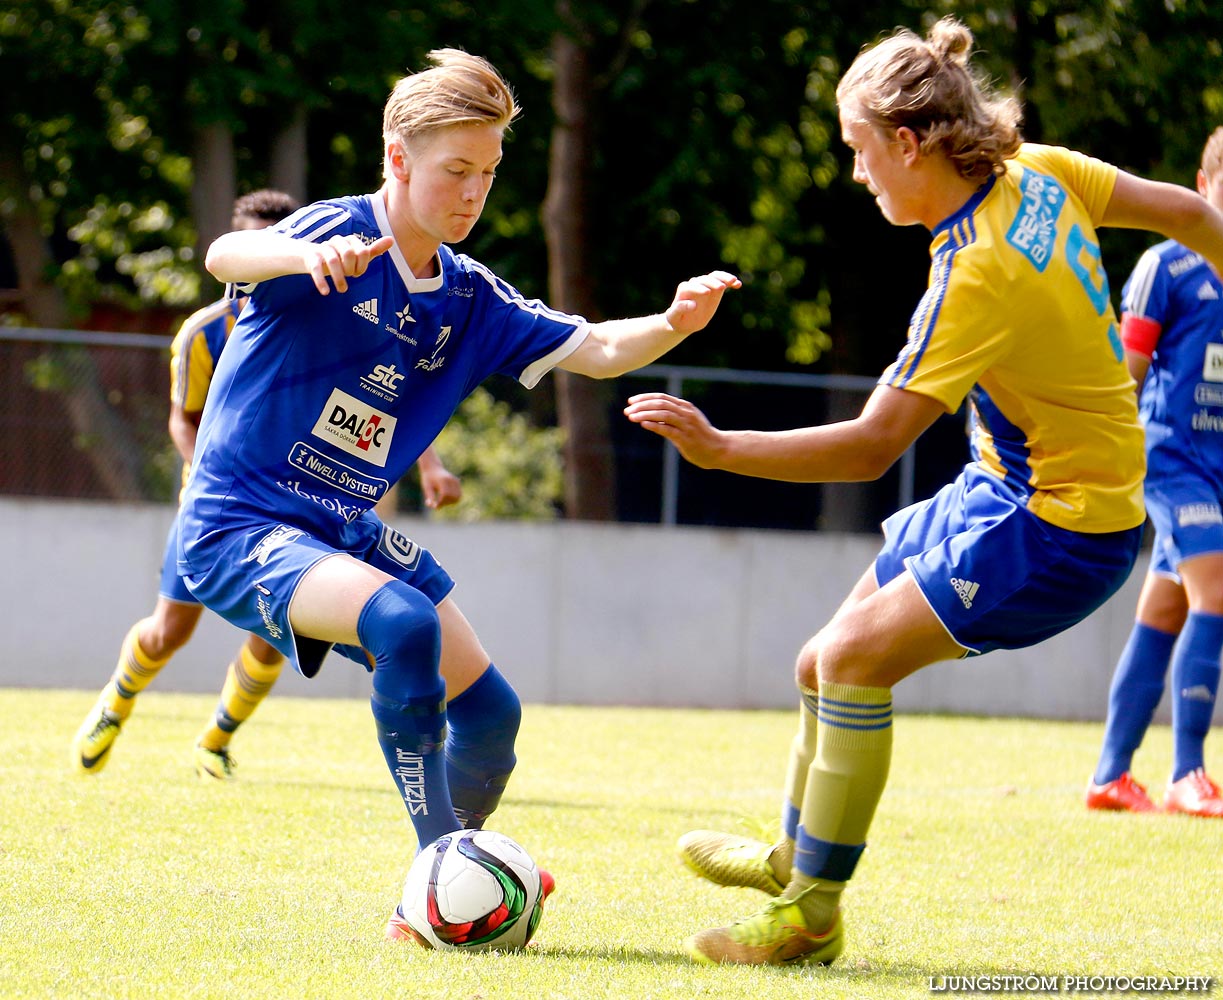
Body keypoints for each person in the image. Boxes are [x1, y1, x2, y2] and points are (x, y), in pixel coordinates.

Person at [624, 17, 1223, 967]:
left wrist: (720, 447)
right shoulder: (1035, 168)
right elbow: (1193, 219)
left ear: (909, 143)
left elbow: (870, 449)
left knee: (856, 658)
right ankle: (793, 857)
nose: (856, 174)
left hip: (1066, 524)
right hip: (1005, 482)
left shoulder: (972, 270)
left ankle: (811, 917)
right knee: (822, 659)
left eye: (860, 152)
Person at [172, 48, 738, 937]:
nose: (474, 192)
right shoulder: (334, 235)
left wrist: (670, 322)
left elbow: (591, 348)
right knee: (403, 624)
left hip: (337, 529)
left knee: (491, 712)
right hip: (240, 524)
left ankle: (433, 903)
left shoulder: (471, 298)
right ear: (397, 160)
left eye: (488, 173)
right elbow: (221, 253)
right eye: (455, 171)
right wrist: (291, 256)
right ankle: (443, 870)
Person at [71, 189, 465, 781]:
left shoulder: (335, 312)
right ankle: (117, 702)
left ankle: (216, 740)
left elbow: (383, 402)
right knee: (168, 631)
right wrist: (205, 470)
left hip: (302, 508)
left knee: (278, 635)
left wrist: (428, 465)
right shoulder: (203, 333)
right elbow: (184, 416)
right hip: (220, 510)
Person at [1085, 128, 1223, 819]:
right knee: (1216, 589)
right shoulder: (1165, 269)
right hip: (1170, 459)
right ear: (1203, 188)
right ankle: (1187, 771)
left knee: (1163, 612)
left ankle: (1110, 775)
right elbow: (1124, 376)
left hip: (1218, 474)